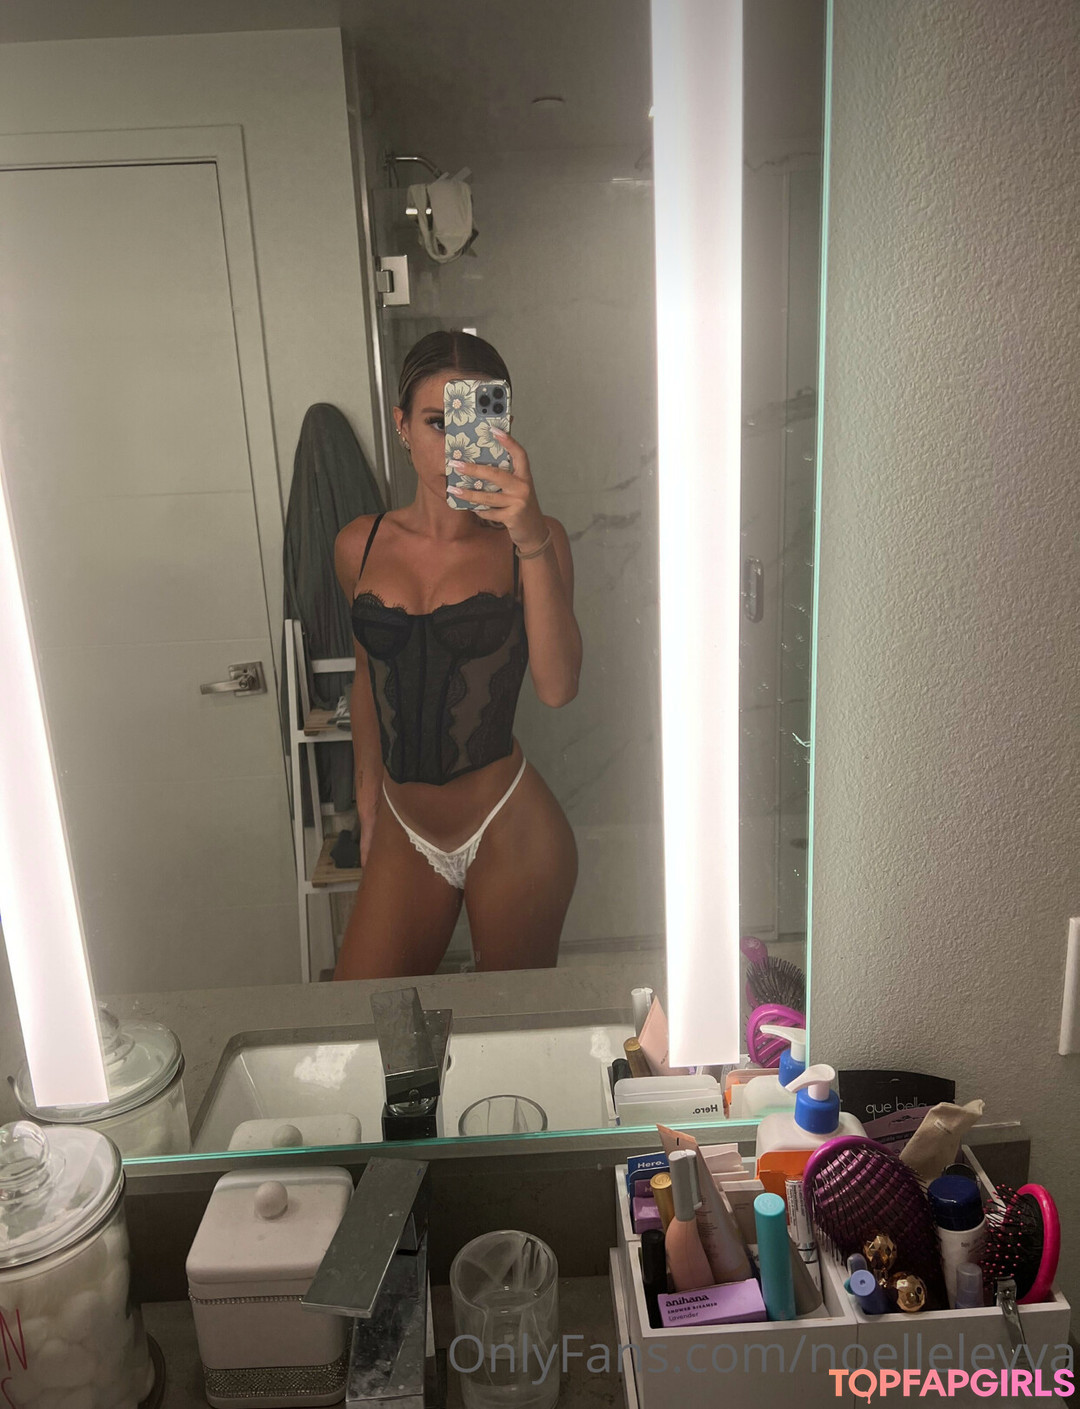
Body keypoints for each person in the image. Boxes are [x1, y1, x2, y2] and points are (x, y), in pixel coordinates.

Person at [333, 331, 581, 978]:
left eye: (472, 422)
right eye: (436, 422)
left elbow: (557, 688)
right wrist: (367, 803)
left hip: (509, 826)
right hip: (404, 829)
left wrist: (529, 536)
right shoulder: (359, 545)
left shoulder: (536, 540)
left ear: (502, 427)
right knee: (362, 1019)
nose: (452, 447)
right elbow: (367, 675)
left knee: (513, 1029)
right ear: (402, 426)